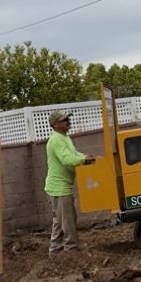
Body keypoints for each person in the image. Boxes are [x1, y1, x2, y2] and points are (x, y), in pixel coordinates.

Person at [44, 110, 91, 256]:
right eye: (64, 120)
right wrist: (83, 160)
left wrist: (84, 157)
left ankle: (55, 251)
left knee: (59, 221)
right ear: (55, 124)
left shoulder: (64, 137)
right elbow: (66, 159)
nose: (68, 121)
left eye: (67, 119)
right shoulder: (57, 140)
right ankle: (71, 249)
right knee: (68, 220)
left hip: (58, 188)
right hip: (59, 188)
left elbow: (74, 154)